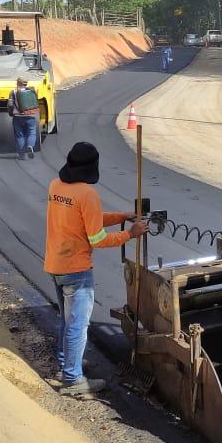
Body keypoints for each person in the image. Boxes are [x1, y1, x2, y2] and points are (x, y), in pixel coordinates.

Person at [44, 142, 148, 396]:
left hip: (55, 264)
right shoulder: (87, 194)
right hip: (76, 270)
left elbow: (86, 218)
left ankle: (66, 363)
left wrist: (122, 216)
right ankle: (72, 380)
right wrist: (130, 233)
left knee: (66, 321)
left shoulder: (56, 186)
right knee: (78, 324)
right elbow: (98, 238)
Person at [7, 76, 40, 160]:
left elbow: (10, 104)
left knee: (19, 135)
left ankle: (21, 154)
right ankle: (30, 146)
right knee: (32, 133)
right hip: (30, 116)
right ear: (26, 83)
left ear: (17, 83)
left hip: (17, 117)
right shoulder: (32, 90)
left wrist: (11, 113)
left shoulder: (13, 92)